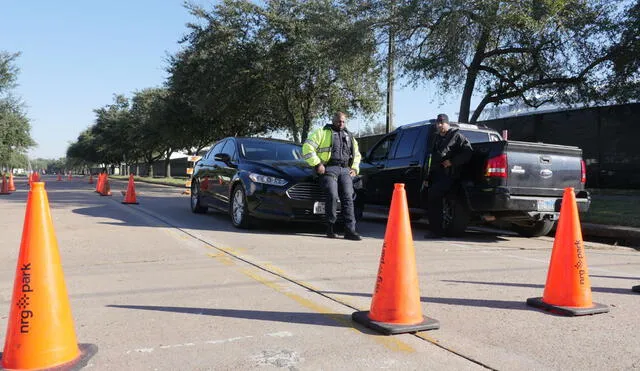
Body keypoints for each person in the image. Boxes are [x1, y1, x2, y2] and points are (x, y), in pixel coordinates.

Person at [302, 112, 362, 241]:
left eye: (343, 122)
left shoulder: (349, 136)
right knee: (332, 195)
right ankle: (330, 228)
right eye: (339, 121)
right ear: (333, 120)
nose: (341, 124)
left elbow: (357, 154)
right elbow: (307, 148)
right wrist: (317, 164)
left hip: (345, 169)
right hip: (329, 168)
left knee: (348, 197)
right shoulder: (322, 132)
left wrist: (355, 168)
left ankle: (350, 230)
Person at [424, 113, 473, 238]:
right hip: (436, 174)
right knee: (432, 198)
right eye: (438, 123)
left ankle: (436, 231)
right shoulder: (435, 138)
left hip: (450, 175)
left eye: (442, 123)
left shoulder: (456, 136)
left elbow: (468, 152)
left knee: (434, 196)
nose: (440, 125)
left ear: (447, 123)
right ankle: (435, 229)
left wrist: (452, 162)